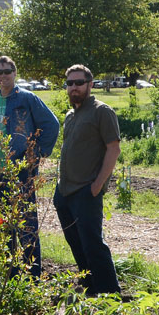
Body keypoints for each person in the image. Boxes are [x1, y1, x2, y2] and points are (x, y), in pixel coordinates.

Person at [0, 56, 59, 276]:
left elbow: (51, 125)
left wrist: (37, 154)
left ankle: (33, 275)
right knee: (2, 225)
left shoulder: (27, 99)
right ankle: (9, 274)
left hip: (21, 171)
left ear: (15, 73)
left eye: (8, 71)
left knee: (26, 226)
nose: (4, 75)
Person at [53, 64, 122, 296]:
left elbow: (113, 149)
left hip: (86, 191)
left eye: (79, 82)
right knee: (76, 243)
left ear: (90, 84)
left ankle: (110, 294)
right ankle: (91, 288)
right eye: (69, 83)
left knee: (93, 244)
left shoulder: (102, 111)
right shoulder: (70, 115)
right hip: (65, 193)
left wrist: (97, 186)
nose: (74, 87)